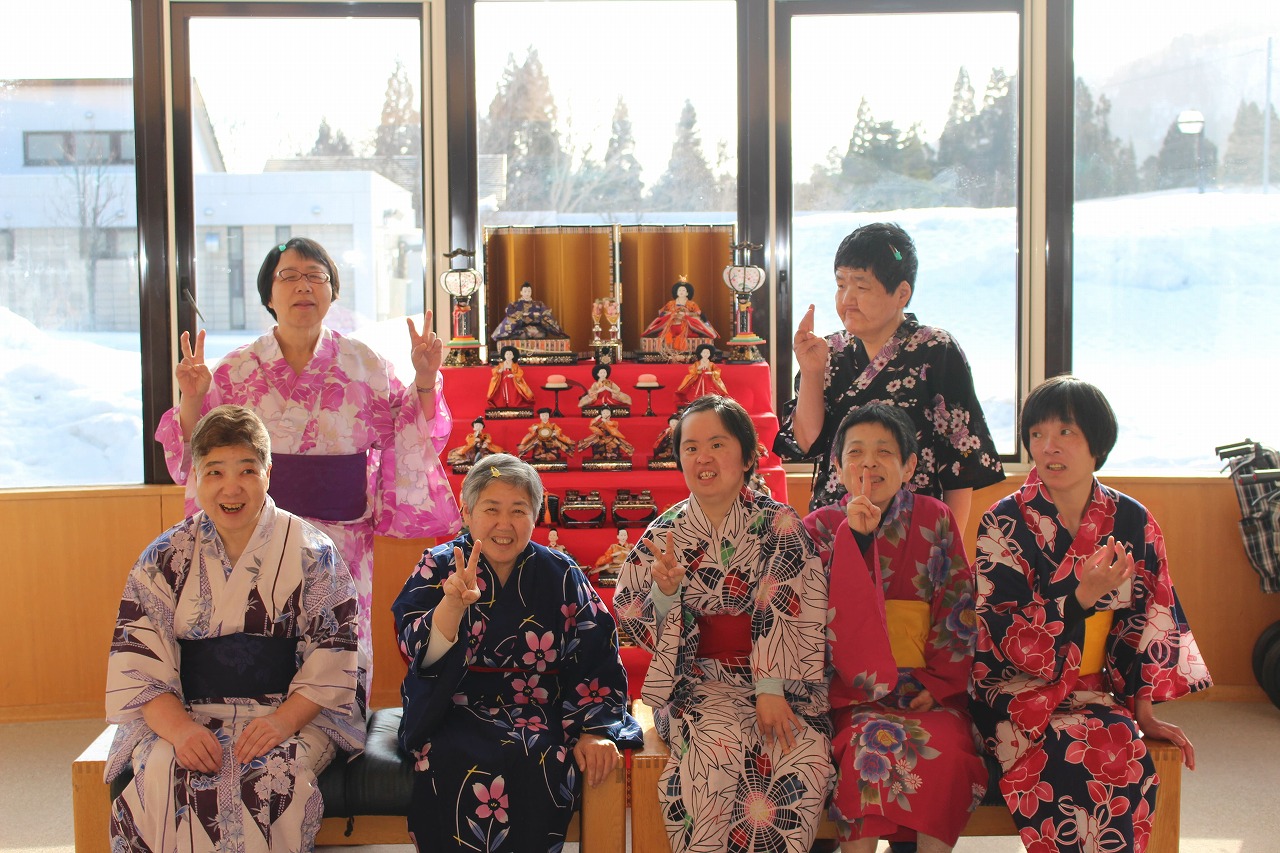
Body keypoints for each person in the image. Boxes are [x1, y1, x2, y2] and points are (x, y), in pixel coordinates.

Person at [156, 237, 460, 689]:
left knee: (340, 638)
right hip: (255, 530)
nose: (304, 286)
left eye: (316, 275)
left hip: (343, 534)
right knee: (260, 636)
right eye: (289, 276)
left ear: (332, 291)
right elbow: (194, 458)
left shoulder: (366, 363)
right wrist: (192, 399)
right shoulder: (236, 369)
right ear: (268, 294)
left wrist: (424, 378)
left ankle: (341, 733)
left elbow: (412, 432)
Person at [970, 376, 1213, 852]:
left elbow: (1150, 618)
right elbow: (1002, 630)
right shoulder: (1003, 521)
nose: (1049, 447)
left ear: (1096, 444)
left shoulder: (1132, 521)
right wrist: (1079, 599)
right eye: (1037, 434)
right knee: (1075, 749)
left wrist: (1144, 709)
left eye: (1067, 433)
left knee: (1121, 744)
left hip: (1093, 693)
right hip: (1015, 694)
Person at [108, 405, 366, 853]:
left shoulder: (313, 553)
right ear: (195, 477)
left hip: (293, 712)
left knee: (270, 778)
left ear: (269, 470)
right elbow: (140, 665)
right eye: (214, 472)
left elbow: (334, 656)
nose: (232, 487)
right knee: (165, 770)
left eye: (247, 469)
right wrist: (182, 731)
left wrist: (283, 722)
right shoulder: (165, 557)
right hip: (187, 711)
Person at [613, 395, 832, 853]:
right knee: (715, 750)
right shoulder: (664, 532)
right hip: (696, 683)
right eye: (690, 447)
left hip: (783, 686)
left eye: (717, 443)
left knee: (803, 757)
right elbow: (633, 614)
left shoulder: (781, 525)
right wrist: (666, 592)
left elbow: (795, 601)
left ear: (749, 455)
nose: (702, 458)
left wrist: (769, 689)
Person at [393, 453, 642, 852]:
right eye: (491, 509)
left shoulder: (561, 572)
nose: (504, 524)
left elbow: (597, 654)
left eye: (518, 510)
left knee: (540, 758)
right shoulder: (438, 566)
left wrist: (594, 728)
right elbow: (415, 650)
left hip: (542, 710)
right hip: (452, 708)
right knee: (454, 759)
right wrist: (452, 606)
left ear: (536, 515)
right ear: (467, 511)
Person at [803, 404, 986, 853]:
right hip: (852, 693)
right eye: (856, 452)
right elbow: (804, 621)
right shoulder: (820, 528)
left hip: (927, 691)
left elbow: (958, 609)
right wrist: (855, 542)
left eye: (884, 452)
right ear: (837, 466)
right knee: (868, 749)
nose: (868, 463)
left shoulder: (935, 519)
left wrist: (940, 684)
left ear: (907, 466)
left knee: (942, 752)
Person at [774, 222, 1003, 530]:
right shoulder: (828, 351)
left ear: (901, 293)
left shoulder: (935, 349)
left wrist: (951, 551)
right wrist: (813, 372)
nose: (847, 299)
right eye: (841, 285)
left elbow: (959, 462)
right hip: (836, 526)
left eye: (862, 286)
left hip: (913, 530)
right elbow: (806, 442)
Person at [641, 278, 719, 352]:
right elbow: (661, 313)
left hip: (685, 325)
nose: (681, 291)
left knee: (694, 321)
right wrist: (671, 314)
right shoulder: (670, 303)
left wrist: (685, 315)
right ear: (676, 292)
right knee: (661, 322)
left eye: (684, 290)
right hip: (671, 324)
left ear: (687, 293)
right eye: (679, 290)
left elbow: (698, 315)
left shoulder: (692, 304)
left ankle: (708, 333)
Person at [490, 281, 570, 341]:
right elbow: (510, 313)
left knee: (542, 328)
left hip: (536, 328)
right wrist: (522, 315)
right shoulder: (514, 304)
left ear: (531, 292)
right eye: (525, 291)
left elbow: (545, 313)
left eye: (529, 291)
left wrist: (536, 316)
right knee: (517, 328)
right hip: (520, 328)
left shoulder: (538, 303)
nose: (527, 293)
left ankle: (559, 333)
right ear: (521, 292)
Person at [487, 345, 536, 410]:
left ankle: (513, 403)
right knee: (502, 393)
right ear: (504, 355)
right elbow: (494, 371)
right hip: (502, 381)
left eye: (510, 354)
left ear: (513, 356)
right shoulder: (501, 364)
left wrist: (514, 375)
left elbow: (520, 373)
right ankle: (503, 404)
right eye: (507, 354)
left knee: (513, 393)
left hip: (513, 382)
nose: (508, 356)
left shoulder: (515, 365)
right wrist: (499, 371)